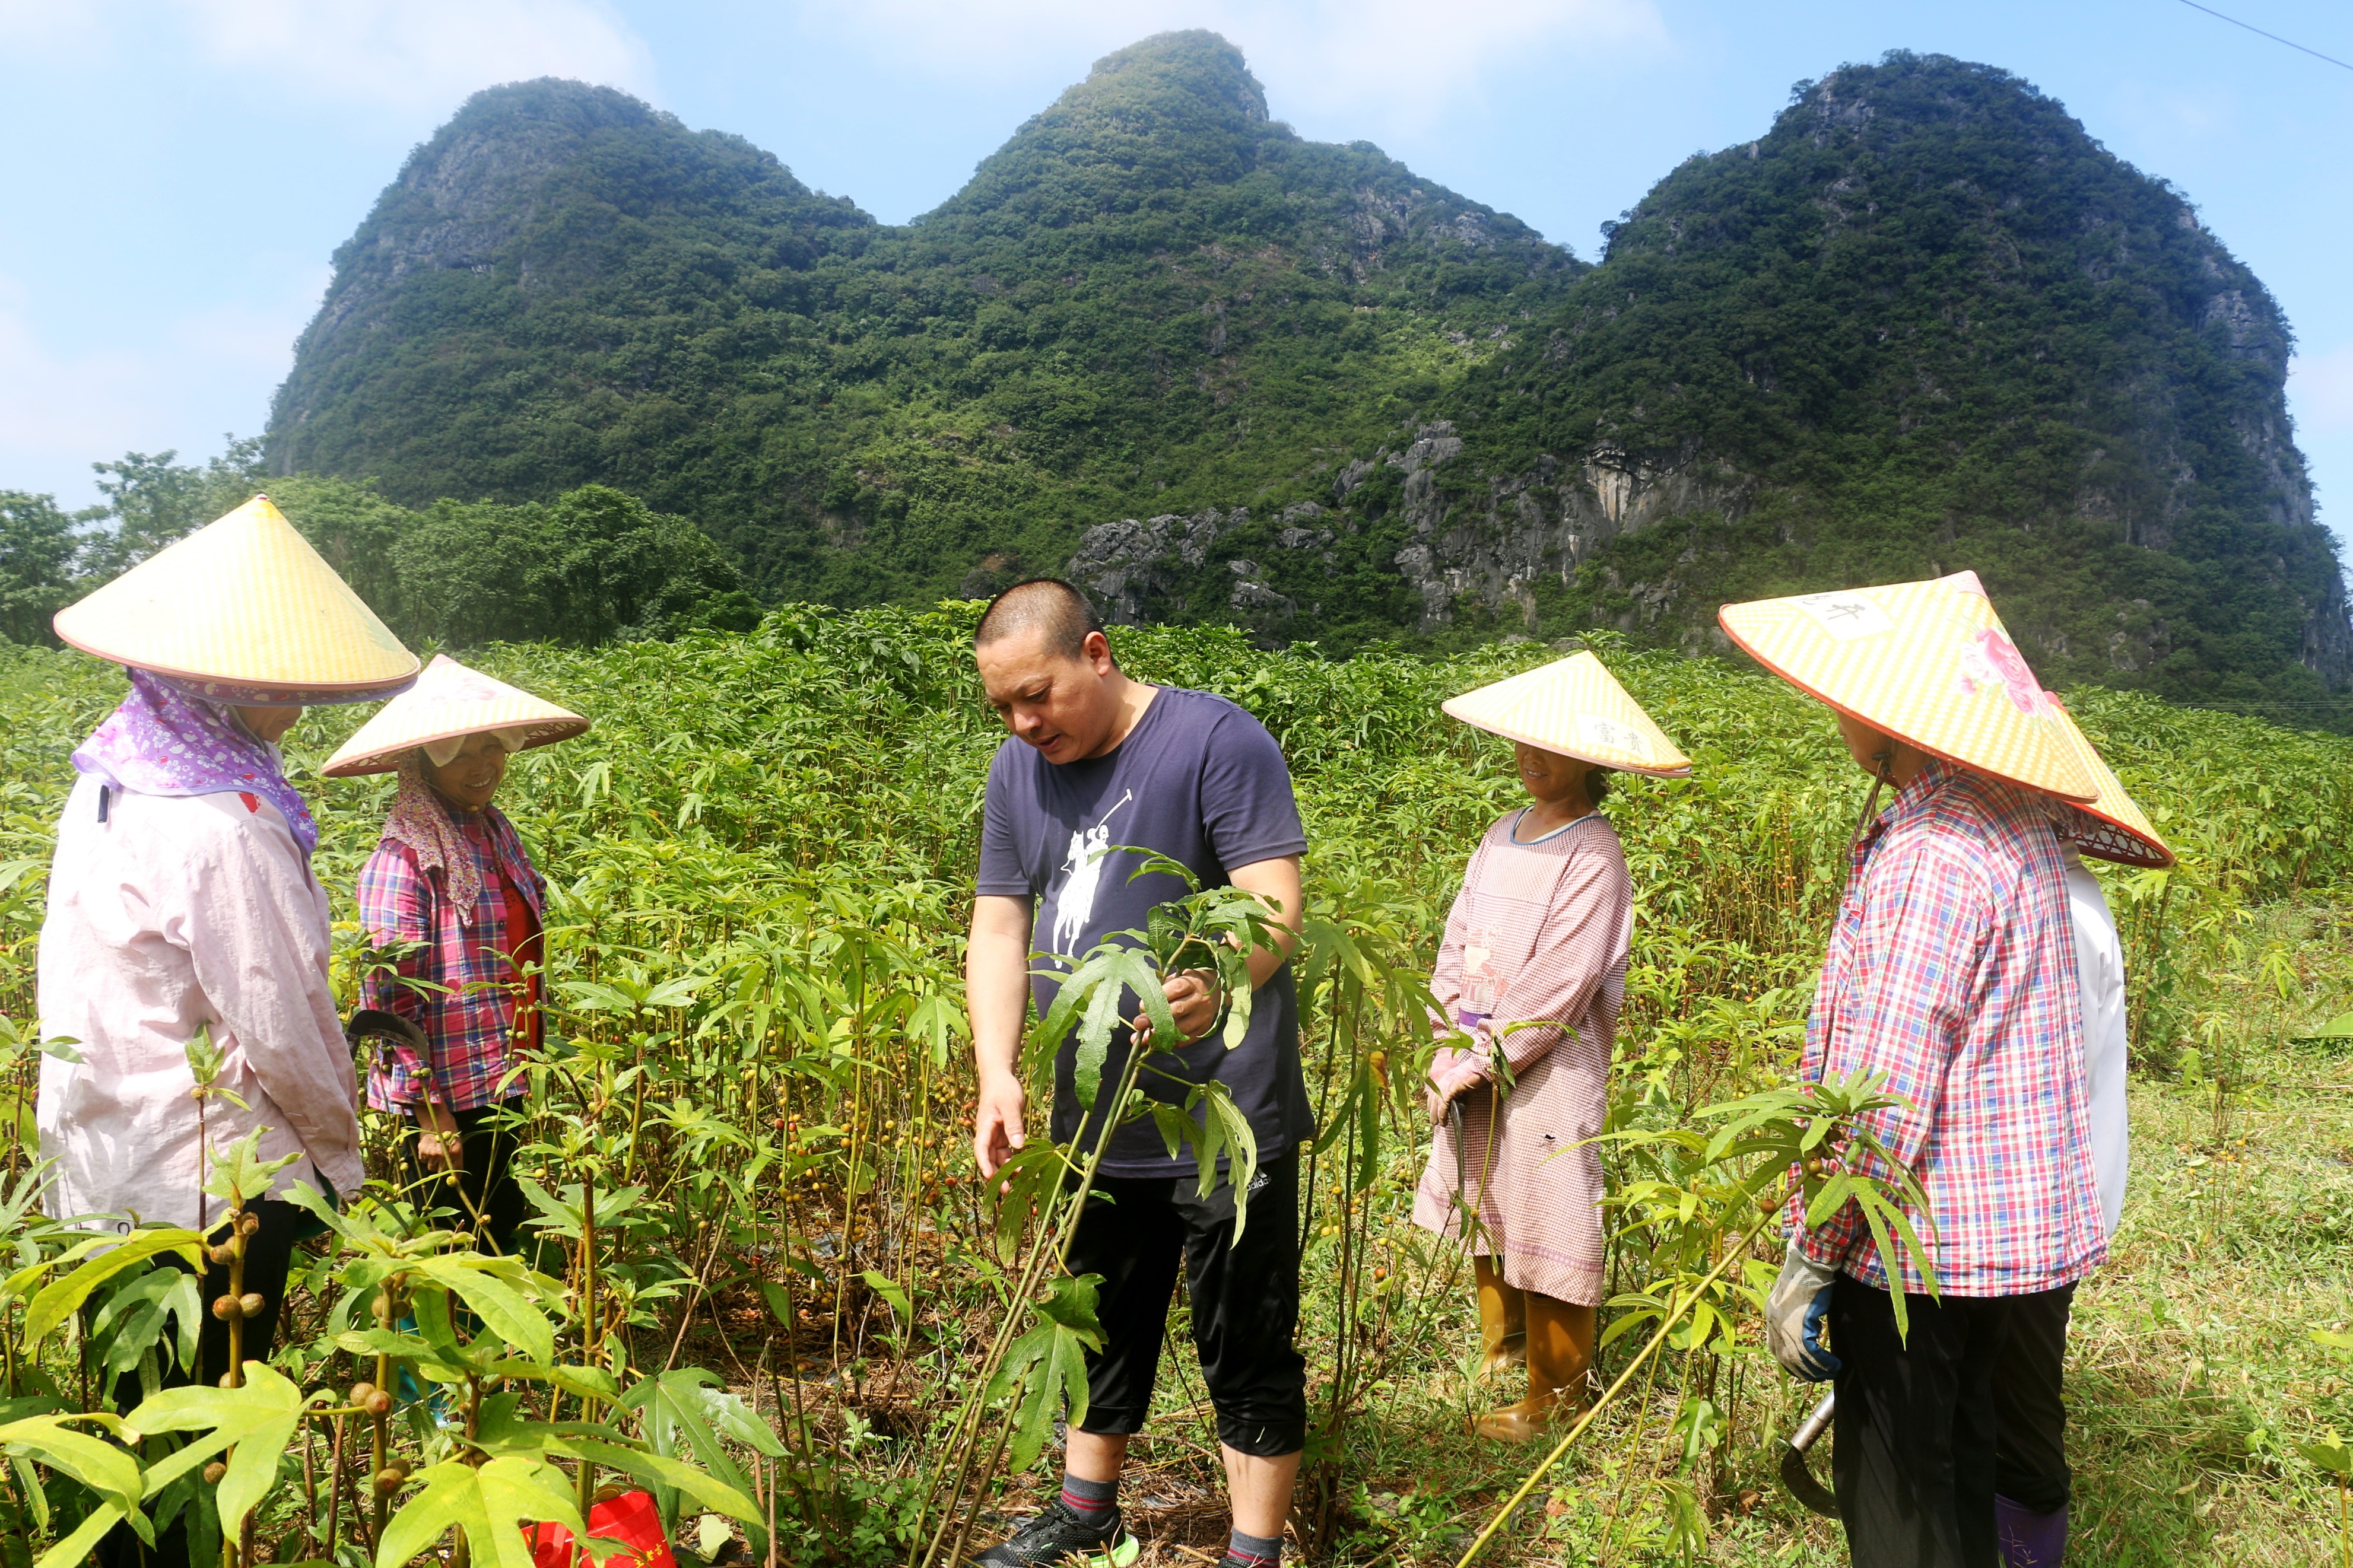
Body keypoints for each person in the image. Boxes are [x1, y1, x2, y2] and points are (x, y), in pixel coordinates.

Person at [37, 495, 418, 1567]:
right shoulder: (225, 821)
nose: (293, 694)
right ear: (226, 679)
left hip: (109, 1164)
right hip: (217, 1182)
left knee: (134, 1432)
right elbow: (285, 1020)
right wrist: (343, 1161)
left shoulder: (112, 778)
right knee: (202, 1440)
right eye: (277, 675)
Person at [1720, 573, 2110, 1568]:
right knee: (1957, 1480)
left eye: (1849, 697)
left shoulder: (1932, 851)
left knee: (1897, 1504)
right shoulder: (2012, 819)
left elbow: (1883, 1095)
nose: (1836, 713)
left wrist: (1813, 1250)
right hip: (1989, 1251)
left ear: (1892, 716)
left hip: (1913, 1255)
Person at [966, 579, 1310, 1568]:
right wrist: (998, 1071)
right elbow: (999, 922)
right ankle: (1087, 1508)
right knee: (1100, 1313)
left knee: (1243, 1333)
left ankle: (1253, 1550)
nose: (1025, 722)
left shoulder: (1216, 740)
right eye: (1004, 707)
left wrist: (1218, 977)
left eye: (1039, 694)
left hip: (1222, 1107)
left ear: (1099, 653)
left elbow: (1272, 900)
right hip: (1098, 1113)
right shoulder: (1013, 774)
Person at [1409, 652, 1692, 1440]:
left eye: (1551, 747)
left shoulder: (1595, 853)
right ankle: (1500, 1352)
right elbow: (1456, 939)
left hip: (1549, 1066)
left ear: (1591, 760)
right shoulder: (1499, 835)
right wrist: (1447, 1036)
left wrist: (1477, 1059)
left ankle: (1555, 1392)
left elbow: (1559, 983)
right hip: (1474, 1053)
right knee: (1487, 1196)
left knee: (1553, 1205)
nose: (1531, 759)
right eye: (1523, 744)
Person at [322, 654, 590, 1257]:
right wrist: (430, 1116)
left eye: (492, 746)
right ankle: (436, 1346)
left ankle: (493, 1345)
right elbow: (390, 995)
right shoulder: (404, 858)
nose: (483, 764)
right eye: (462, 753)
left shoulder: (492, 830)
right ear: (422, 763)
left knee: (500, 1216)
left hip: (500, 1064)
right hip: (446, 1085)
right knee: (447, 1239)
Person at [1988, 693, 2170, 1567]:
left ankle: (2026, 1544)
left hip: (2031, 1193)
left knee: (2018, 1396)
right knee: (2014, 1380)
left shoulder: (2045, 896)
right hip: (2062, 1188)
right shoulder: (2074, 889)